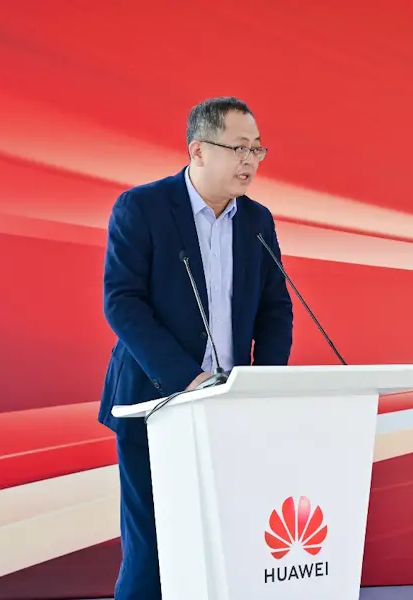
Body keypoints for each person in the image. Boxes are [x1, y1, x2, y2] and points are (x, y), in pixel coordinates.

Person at [98, 97, 294, 600]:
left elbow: (275, 310)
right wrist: (188, 378)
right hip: (156, 401)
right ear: (198, 151)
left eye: (257, 149)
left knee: (224, 542)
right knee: (153, 550)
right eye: (239, 148)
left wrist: (264, 384)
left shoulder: (257, 221)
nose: (250, 161)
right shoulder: (142, 208)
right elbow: (122, 302)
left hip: (229, 407)